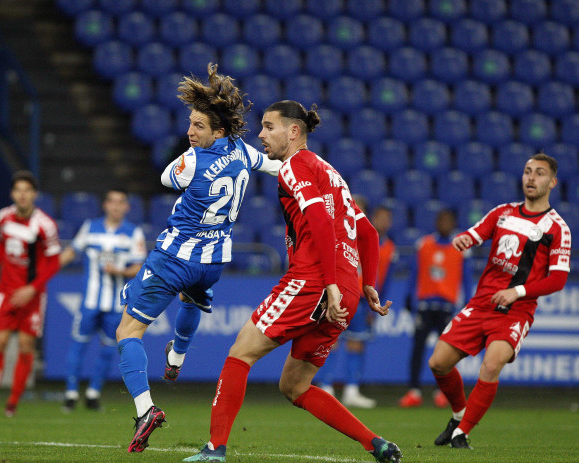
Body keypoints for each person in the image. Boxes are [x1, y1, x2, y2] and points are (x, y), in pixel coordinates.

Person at [184, 100, 402, 463]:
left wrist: (329, 282)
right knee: (295, 386)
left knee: (240, 352)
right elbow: (368, 234)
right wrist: (367, 285)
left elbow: (317, 218)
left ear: (293, 131)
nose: (261, 134)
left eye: (269, 127)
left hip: (315, 281)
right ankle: (376, 443)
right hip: (346, 290)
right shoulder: (332, 174)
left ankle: (214, 450)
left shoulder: (295, 167)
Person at [115, 63, 282, 453]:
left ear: (218, 130)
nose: (190, 133)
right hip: (213, 262)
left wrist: (191, 160)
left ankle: (145, 410)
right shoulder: (243, 149)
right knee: (193, 298)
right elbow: (275, 165)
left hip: (174, 257)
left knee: (127, 332)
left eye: (198, 127)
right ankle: (177, 355)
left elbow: (165, 179)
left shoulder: (192, 159)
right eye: (189, 125)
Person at [429, 152, 571, 449]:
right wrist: (464, 238)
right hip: (481, 303)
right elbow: (477, 232)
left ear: (553, 182)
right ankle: (458, 415)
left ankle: (462, 433)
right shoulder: (503, 212)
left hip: (516, 310)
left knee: (491, 365)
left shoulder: (557, 228)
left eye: (540, 173)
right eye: (528, 171)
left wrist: (517, 291)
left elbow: (557, 280)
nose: (531, 178)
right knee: (438, 363)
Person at [0, 170, 61, 417]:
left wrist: (31, 288)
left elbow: (53, 262)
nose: (22, 195)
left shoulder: (45, 225)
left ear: (34, 194)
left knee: (26, 347)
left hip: (32, 295)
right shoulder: (3, 217)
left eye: (27, 190)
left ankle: (12, 403)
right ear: (12, 193)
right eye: (18, 190)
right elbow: (2, 245)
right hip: (5, 291)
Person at [59, 188, 146, 412]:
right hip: (89, 301)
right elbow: (71, 252)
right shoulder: (90, 227)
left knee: (109, 349)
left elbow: (139, 267)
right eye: (112, 202)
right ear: (105, 205)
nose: (116, 206)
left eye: (121, 202)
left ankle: (93, 392)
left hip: (116, 304)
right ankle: (70, 393)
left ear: (127, 207)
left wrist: (120, 271)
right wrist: (49, 268)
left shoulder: (134, 233)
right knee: (79, 344)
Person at [314, 201, 397, 408]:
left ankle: (351, 390)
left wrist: (374, 301)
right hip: (337, 295)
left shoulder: (367, 239)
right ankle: (325, 387)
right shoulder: (335, 234)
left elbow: (381, 276)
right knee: (331, 341)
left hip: (360, 298)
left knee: (356, 343)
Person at [399, 209, 471, 408]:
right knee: (418, 348)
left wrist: (468, 303)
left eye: (448, 220)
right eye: (441, 220)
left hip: (447, 306)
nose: (444, 223)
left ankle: (442, 392)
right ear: (436, 222)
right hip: (425, 304)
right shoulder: (424, 244)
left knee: (447, 353)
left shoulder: (462, 248)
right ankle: (413, 391)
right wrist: (408, 296)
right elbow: (415, 272)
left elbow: (466, 279)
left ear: (454, 223)